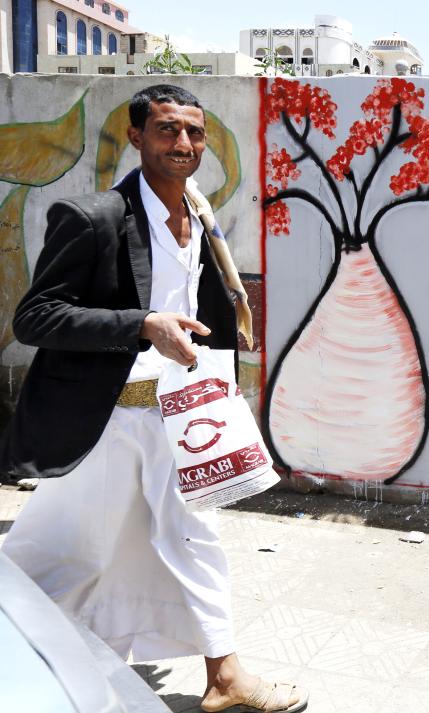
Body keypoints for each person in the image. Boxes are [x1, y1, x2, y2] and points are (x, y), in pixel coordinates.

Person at [0, 84, 306, 713]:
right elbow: (36, 318)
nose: (183, 144)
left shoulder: (201, 217)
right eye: (167, 130)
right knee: (62, 553)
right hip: (106, 424)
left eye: (194, 132)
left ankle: (225, 677)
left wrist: (218, 385)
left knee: (194, 540)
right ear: (137, 137)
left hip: (176, 419)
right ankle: (24, 657)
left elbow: (202, 312)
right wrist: (141, 324)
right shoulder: (93, 218)